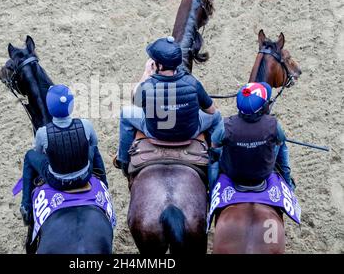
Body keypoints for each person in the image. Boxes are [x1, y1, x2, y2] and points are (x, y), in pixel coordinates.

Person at [114, 36, 222, 175]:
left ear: (158, 65)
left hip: (155, 132)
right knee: (217, 117)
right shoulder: (193, 83)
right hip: (189, 132)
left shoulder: (148, 86)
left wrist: (146, 74)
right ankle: (217, 158)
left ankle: (123, 160)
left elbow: (135, 100)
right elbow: (212, 111)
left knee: (125, 114)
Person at [20, 84, 108, 225]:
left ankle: (26, 206)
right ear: (71, 105)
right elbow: (93, 142)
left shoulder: (43, 133)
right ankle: (104, 186)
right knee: (94, 149)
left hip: (57, 181)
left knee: (29, 156)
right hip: (84, 177)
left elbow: (38, 151)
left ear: (50, 108)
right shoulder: (86, 125)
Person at [209, 82, 295, 191]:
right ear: (263, 105)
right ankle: (288, 183)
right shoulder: (273, 124)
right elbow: (280, 141)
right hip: (263, 174)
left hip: (233, 174)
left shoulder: (225, 125)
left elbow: (214, 144)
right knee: (282, 146)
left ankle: (211, 191)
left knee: (214, 157)